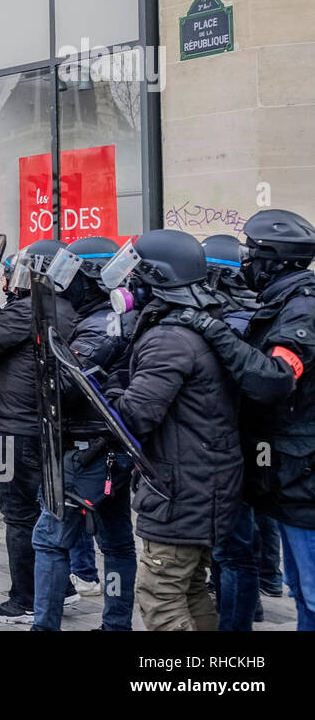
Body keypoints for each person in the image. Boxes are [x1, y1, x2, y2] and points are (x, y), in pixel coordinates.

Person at [163, 209, 315, 631]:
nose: (245, 260)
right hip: (287, 468)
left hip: (304, 475)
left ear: (274, 259)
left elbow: (274, 380)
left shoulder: (302, 310)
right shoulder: (283, 301)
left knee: (312, 592)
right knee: (299, 586)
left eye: (252, 252)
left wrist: (213, 331)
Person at [95, 229, 243, 631]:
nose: (128, 283)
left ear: (157, 279)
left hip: (181, 487)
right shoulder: (202, 323)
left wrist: (110, 382)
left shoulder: (168, 339)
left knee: (159, 596)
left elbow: (133, 417)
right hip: (205, 481)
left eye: (135, 274)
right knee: (192, 588)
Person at [30, 236, 138, 631]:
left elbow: (66, 386)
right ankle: (115, 625)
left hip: (87, 450)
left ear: (89, 277)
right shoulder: (117, 318)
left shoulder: (99, 326)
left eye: (70, 276)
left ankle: (45, 627)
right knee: (116, 543)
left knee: (50, 540)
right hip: (111, 449)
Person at [0, 238, 79, 624]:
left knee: (18, 513)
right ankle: (61, 587)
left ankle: (23, 598)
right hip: (42, 423)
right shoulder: (67, 308)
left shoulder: (32, 308)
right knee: (46, 508)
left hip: (17, 427)